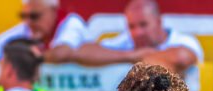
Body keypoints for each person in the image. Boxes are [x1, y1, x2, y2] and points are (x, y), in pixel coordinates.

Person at [59, 0, 202, 75]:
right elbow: (83, 51)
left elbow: (183, 57)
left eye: (144, 24)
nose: (138, 32)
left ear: (159, 21)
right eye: (132, 26)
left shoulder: (183, 40)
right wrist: (131, 55)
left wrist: (140, 58)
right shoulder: (127, 42)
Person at [0, 0, 89, 69]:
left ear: (53, 11)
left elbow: (62, 53)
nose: (28, 21)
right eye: (24, 16)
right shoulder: (29, 27)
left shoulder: (71, 22)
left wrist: (24, 57)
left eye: (34, 16)